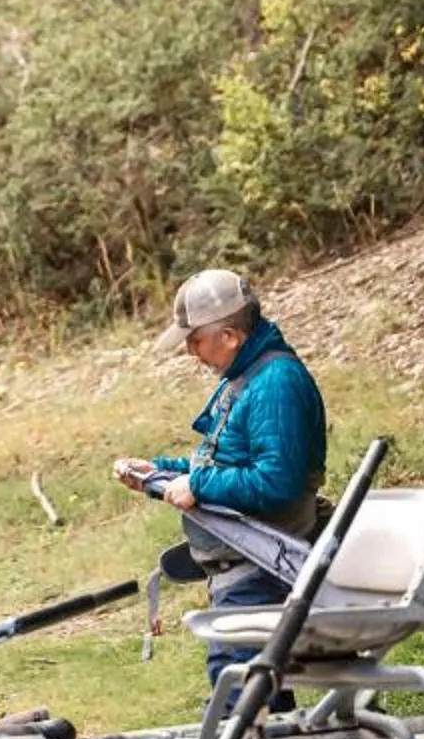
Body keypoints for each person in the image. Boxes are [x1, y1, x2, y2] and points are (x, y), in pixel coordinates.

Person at [115, 267, 327, 696]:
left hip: (263, 567)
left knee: (237, 690)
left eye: (194, 340)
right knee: (254, 691)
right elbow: (221, 461)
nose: (191, 352)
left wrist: (200, 487)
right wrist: (156, 471)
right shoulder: (248, 379)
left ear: (229, 336)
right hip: (245, 567)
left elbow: (275, 482)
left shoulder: (276, 383)